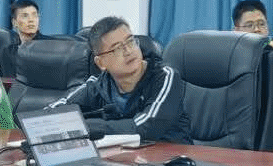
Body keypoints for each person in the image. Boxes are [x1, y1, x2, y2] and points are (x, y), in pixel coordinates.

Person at [64, 16, 192, 143]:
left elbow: (147, 127)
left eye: (130, 41)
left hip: (172, 154)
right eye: (117, 48)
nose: (128, 51)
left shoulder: (165, 76)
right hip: (124, 155)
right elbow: (55, 113)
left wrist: (92, 126)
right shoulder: (97, 86)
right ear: (101, 63)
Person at [232, 0, 273, 96]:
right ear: (236, 30)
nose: (257, 29)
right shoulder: (230, 54)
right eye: (250, 25)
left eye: (261, 24)